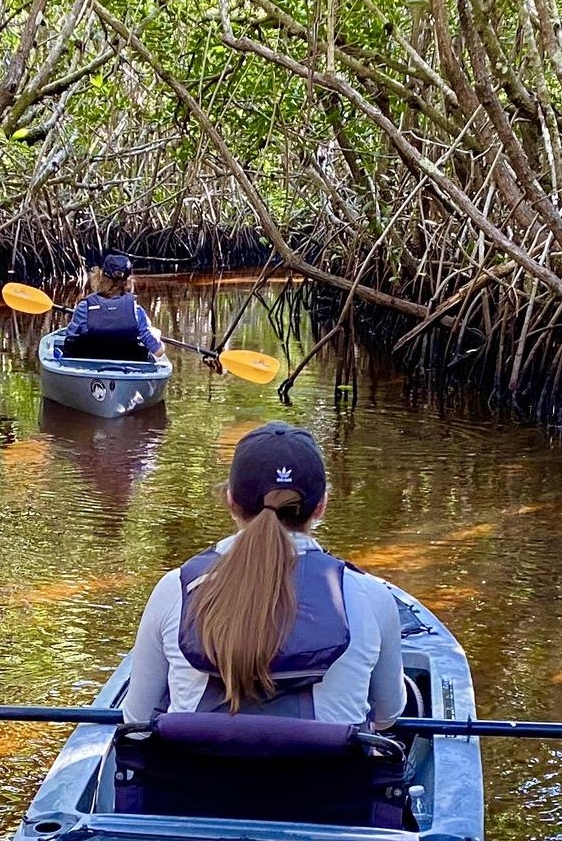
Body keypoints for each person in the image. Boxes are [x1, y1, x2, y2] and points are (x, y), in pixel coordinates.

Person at [120, 422, 406, 727]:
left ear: (231, 500)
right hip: (325, 775)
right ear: (321, 506)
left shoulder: (176, 589)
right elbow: (387, 716)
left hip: (194, 774)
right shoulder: (371, 598)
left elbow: (136, 720)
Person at [57, 253, 164, 361]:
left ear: (101, 277)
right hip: (127, 371)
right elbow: (158, 352)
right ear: (128, 281)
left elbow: (70, 337)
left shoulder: (84, 308)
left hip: (88, 369)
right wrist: (155, 335)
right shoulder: (136, 311)